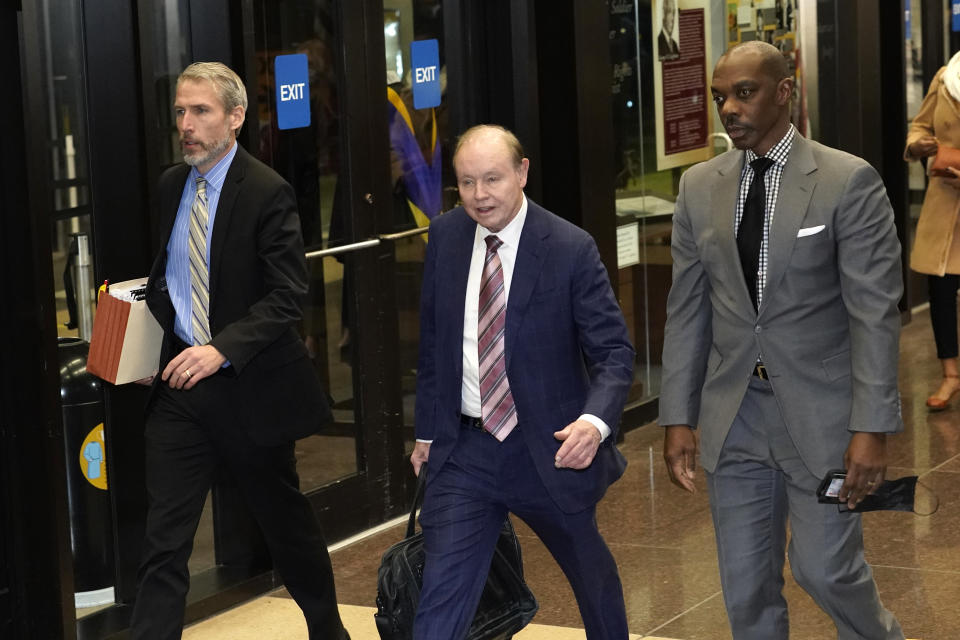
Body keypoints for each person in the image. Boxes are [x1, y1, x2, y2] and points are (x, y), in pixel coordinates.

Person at [659, 41, 905, 639]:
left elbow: (874, 313)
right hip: (735, 414)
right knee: (745, 588)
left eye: (745, 93)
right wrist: (677, 416)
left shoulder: (848, 181)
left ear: (785, 91)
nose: (729, 109)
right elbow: (688, 310)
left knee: (825, 570)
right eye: (721, 97)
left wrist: (870, 428)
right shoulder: (698, 187)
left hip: (822, 415)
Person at [131, 62, 349, 640]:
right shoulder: (170, 185)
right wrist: (143, 353)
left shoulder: (267, 190)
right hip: (179, 391)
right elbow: (168, 281)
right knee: (165, 540)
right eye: (180, 111)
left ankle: (328, 630)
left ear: (235, 117)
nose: (187, 125)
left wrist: (219, 350)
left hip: (247, 388)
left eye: (200, 111)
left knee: (285, 527)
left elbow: (286, 296)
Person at [410, 124, 634, 640]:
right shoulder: (445, 236)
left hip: (548, 450)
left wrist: (594, 423)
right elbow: (434, 343)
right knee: (442, 592)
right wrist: (427, 430)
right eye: (466, 183)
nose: (479, 195)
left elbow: (613, 352)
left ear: (522, 172)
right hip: (464, 450)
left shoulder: (569, 248)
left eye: (492, 179)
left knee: (591, 576)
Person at [904, 51, 960, 411]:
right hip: (945, 202)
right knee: (940, 290)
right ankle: (950, 375)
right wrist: (918, 144)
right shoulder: (946, 77)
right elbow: (920, 126)